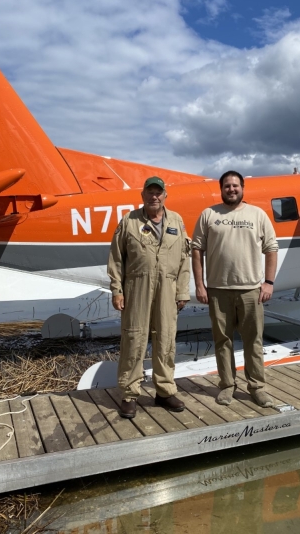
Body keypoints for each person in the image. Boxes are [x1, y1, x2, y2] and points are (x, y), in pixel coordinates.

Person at [192, 171, 279, 408]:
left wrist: (268, 283)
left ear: (243, 188)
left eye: (235, 185)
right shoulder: (209, 214)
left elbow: (271, 248)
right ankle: (227, 385)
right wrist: (200, 285)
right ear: (221, 189)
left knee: (254, 341)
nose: (232, 189)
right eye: (227, 186)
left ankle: (257, 387)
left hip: (251, 290)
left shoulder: (257, 214)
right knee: (223, 340)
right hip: (218, 290)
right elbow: (197, 250)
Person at [108, 176, 190, 418]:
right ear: (142, 195)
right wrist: (117, 289)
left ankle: (164, 391)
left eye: (159, 192)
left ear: (165, 196)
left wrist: (183, 291)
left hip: (168, 289)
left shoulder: (177, 221)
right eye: (150, 192)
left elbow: (184, 260)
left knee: (166, 340)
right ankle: (129, 394)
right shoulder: (129, 221)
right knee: (134, 339)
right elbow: (116, 258)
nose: (154, 196)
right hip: (137, 289)